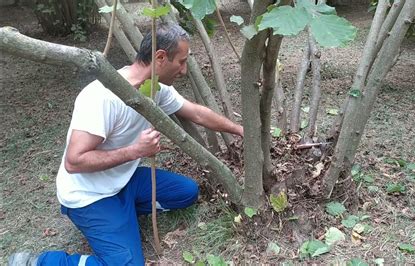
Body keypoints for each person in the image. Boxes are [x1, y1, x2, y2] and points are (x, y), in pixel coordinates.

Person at [9, 22, 243, 266]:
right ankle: (41, 261)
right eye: (181, 62)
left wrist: (239, 130)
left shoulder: (157, 90)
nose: (184, 70)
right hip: (89, 196)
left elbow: (196, 112)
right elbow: (74, 160)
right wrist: (136, 151)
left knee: (186, 193)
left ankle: (124, 214)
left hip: (124, 181)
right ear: (160, 57)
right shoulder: (102, 97)